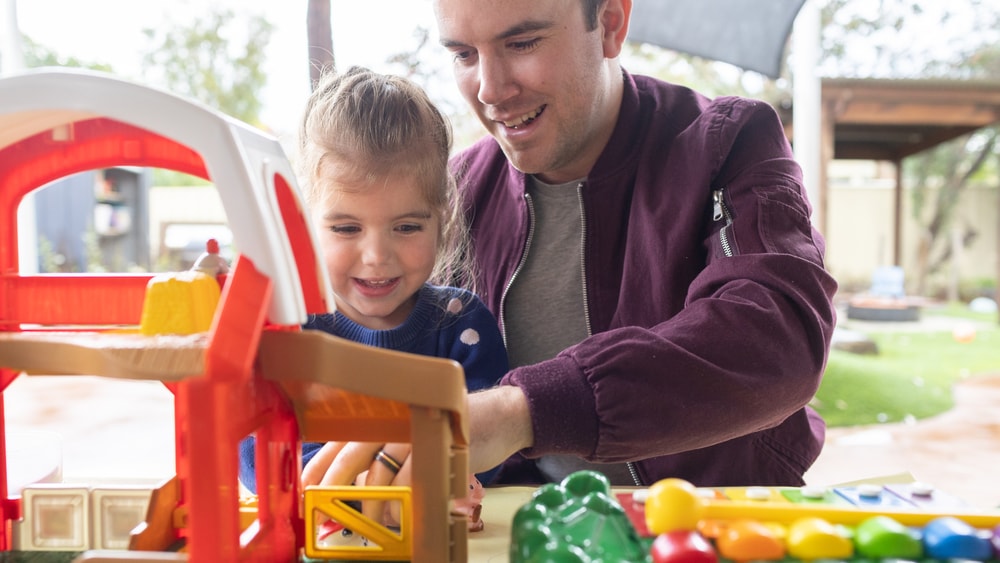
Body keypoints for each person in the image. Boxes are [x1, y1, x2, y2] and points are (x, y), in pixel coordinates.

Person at [311, 0, 838, 490]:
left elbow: (778, 333)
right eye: (464, 54)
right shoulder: (452, 193)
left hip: (713, 529)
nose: (490, 90)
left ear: (610, 23)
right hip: (526, 533)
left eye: (522, 44)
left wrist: (521, 413)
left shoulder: (728, 141)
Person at [237, 66, 508, 497]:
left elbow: (493, 453)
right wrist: (367, 486)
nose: (377, 257)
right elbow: (255, 458)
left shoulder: (462, 326)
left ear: (442, 220)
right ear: (305, 226)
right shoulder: (287, 331)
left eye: (406, 228)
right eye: (346, 229)